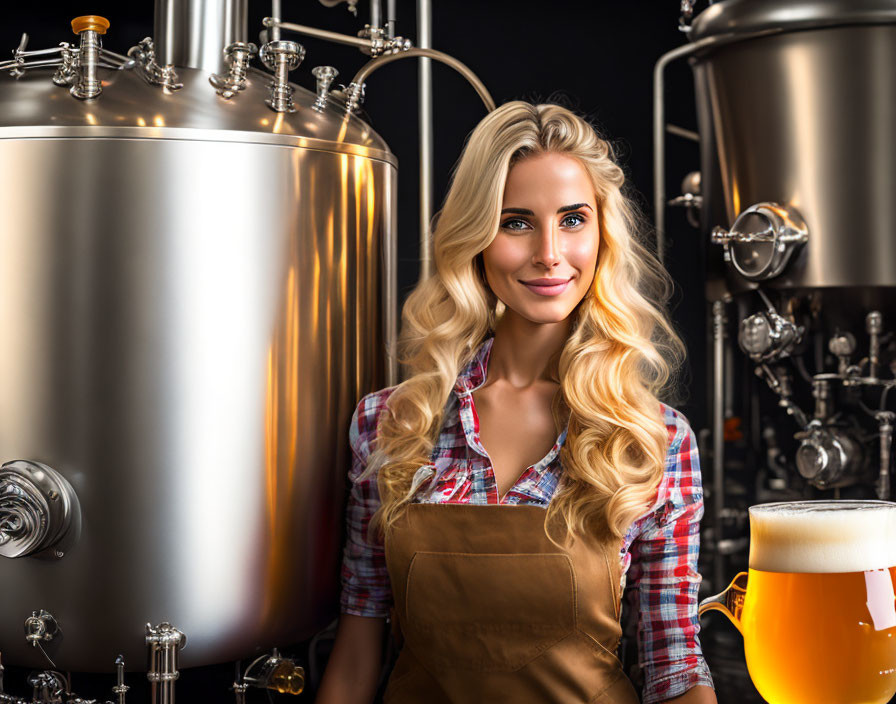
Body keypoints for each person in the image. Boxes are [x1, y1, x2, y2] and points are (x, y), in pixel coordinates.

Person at [316, 101, 717, 704]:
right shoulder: (392, 423)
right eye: (517, 222)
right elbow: (358, 637)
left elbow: (675, 662)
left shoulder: (653, 438)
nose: (550, 253)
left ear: (603, 234)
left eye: (574, 219)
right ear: (475, 238)